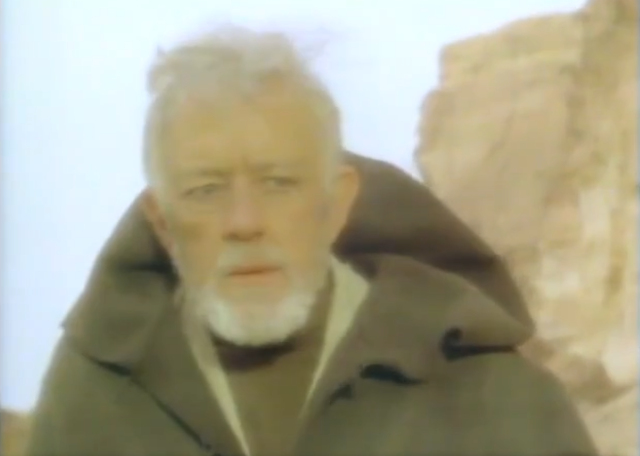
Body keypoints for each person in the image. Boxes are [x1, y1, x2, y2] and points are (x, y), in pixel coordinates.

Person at [25, 26, 598, 456]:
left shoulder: (491, 396)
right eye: (205, 190)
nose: (244, 222)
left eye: (278, 183)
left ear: (338, 202)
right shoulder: (94, 404)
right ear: (161, 221)